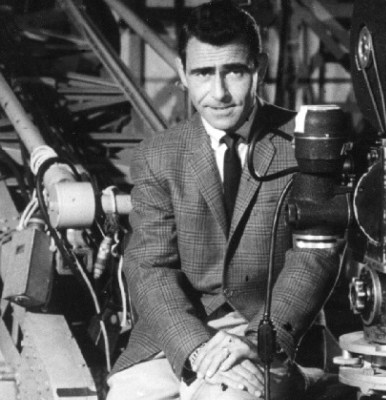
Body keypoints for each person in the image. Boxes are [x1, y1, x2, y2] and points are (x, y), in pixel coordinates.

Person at [106, 1, 341, 399]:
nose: (218, 93)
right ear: (183, 73)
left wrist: (255, 342)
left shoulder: (304, 145)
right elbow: (149, 268)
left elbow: (315, 257)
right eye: (202, 73)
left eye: (234, 71)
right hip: (180, 336)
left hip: (270, 334)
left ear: (259, 68)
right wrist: (197, 350)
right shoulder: (158, 155)